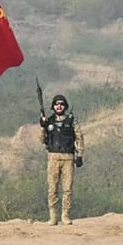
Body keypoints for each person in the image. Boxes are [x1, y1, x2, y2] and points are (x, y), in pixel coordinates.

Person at [39, 94, 84, 225]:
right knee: (52, 188)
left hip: (68, 158)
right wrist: (43, 126)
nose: (59, 106)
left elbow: (79, 137)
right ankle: (53, 216)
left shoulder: (71, 121)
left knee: (67, 188)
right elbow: (42, 140)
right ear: (53, 107)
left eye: (61, 104)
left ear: (65, 106)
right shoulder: (50, 121)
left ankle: (65, 214)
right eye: (56, 104)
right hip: (53, 157)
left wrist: (80, 155)